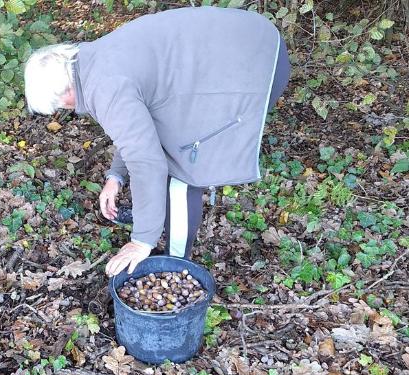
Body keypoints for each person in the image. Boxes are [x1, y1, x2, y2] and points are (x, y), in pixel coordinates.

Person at [23, 6, 291, 277]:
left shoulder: (104, 86)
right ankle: (171, 249)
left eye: (59, 104)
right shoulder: (91, 62)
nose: (64, 109)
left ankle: (175, 266)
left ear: (66, 88)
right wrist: (115, 177)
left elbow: (145, 159)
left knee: (184, 170)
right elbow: (136, 130)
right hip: (240, 47)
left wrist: (142, 240)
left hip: (255, 60)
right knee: (169, 147)